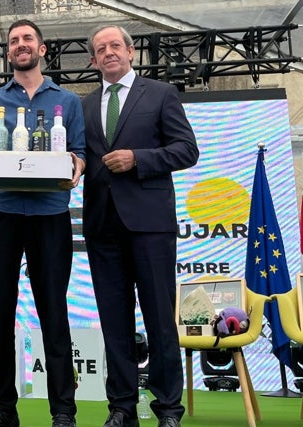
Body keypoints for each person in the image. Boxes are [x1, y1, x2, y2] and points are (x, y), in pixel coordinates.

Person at [0, 19, 85, 427]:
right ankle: (2, 409)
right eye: (14, 40)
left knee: (54, 311)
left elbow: (80, 152)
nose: (21, 45)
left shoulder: (68, 102)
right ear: (8, 52)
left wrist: (77, 166)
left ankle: (63, 411)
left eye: (27, 39)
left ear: (42, 49)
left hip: (50, 213)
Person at [81, 25, 199, 427]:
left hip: (149, 226)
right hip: (101, 228)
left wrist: (138, 159)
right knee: (114, 322)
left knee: (160, 320)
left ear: (131, 52)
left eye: (116, 45)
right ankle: (122, 407)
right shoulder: (84, 104)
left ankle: (168, 408)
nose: (109, 52)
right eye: (101, 49)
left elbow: (187, 150)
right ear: (94, 60)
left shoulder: (161, 93)